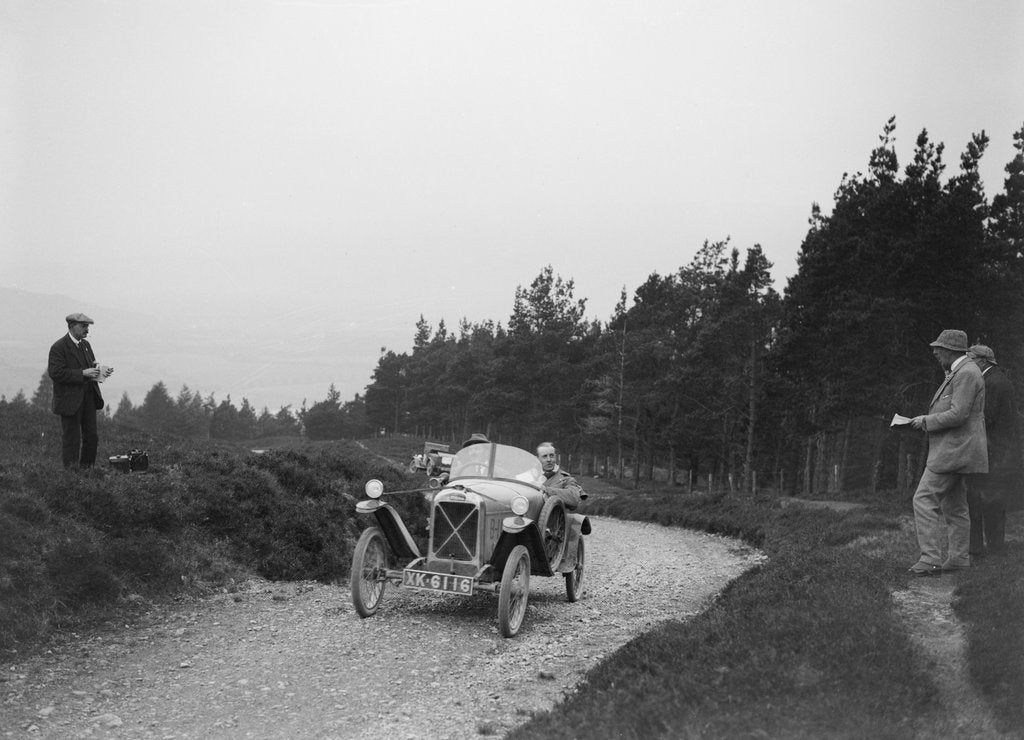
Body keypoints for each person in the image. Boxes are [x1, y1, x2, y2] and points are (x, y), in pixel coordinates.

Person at [907, 330, 987, 576]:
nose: (935, 351)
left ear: (951, 350)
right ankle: (958, 559)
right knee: (955, 506)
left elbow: (958, 414)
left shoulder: (966, 373)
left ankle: (930, 559)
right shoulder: (963, 372)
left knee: (923, 499)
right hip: (957, 450)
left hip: (953, 452)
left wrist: (925, 421)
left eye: (938, 348)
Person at [966, 344, 1021, 557]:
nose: (968, 363)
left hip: (995, 452)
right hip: (998, 451)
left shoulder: (992, 383)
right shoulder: (995, 380)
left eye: (970, 358)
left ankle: (986, 551)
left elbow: (985, 418)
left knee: (989, 501)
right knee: (989, 502)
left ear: (983, 360)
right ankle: (986, 550)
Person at [47, 313, 113, 468]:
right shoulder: (58, 347)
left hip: (88, 398)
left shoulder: (86, 345)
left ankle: (86, 472)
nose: (87, 329)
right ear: (71, 326)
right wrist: (82, 373)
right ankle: (71, 476)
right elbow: (55, 373)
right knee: (72, 438)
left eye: (87, 326)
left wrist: (101, 372)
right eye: (83, 326)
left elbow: (91, 368)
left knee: (92, 437)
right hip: (69, 401)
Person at [537, 442, 587, 511]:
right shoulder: (528, 477)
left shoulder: (566, 478)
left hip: (553, 519)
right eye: (544, 456)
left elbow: (574, 498)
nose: (549, 460)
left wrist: (546, 490)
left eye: (551, 456)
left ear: (555, 457)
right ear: (538, 459)